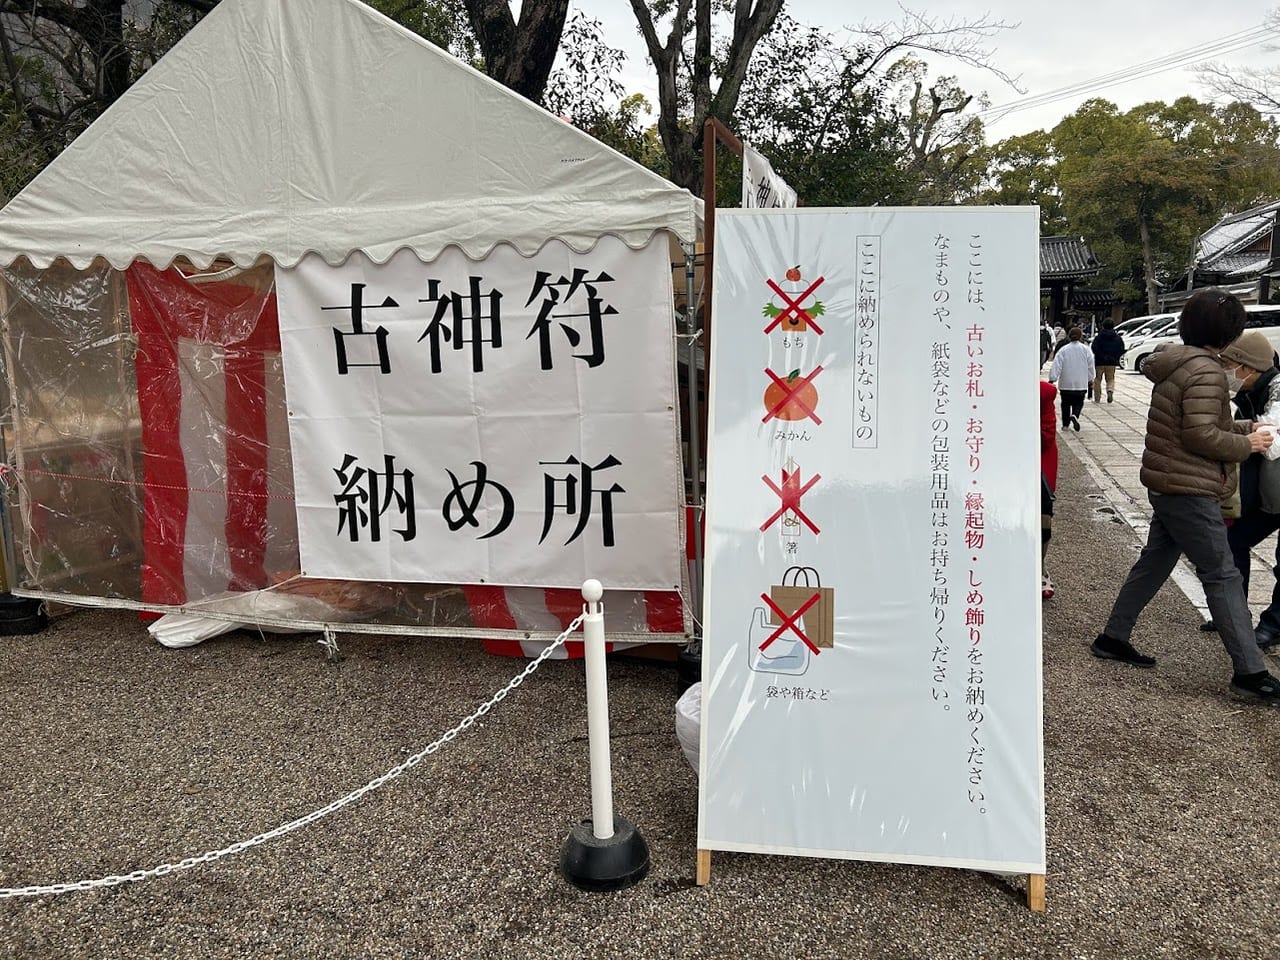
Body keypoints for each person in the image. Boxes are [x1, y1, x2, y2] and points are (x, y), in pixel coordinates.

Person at [1090, 289, 1280, 708]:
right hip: (1190, 488)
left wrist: (1247, 426)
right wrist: (1245, 444)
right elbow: (1199, 435)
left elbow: (1197, 422)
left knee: (1156, 559)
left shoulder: (1176, 363)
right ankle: (1251, 673)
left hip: (1167, 480)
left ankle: (1113, 636)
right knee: (1222, 574)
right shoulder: (1209, 372)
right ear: (1228, 333)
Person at [1216, 330, 1280, 649]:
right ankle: (1234, 614)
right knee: (1234, 541)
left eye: (1229, 365)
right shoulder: (1247, 394)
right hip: (1266, 491)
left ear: (1248, 368)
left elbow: (1271, 442)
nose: (1226, 372)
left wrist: (1251, 436)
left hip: (1276, 484)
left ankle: (1274, 624)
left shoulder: (1278, 390)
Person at [1048, 326, 1094, 431]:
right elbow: (1091, 365)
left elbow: (1057, 365)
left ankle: (1065, 424)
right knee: (1079, 401)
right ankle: (1075, 415)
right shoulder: (1086, 350)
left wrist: (1052, 378)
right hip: (1080, 383)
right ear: (1080, 336)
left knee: (1065, 403)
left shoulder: (1063, 350)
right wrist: (1090, 378)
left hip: (1066, 383)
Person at [1040, 379, 1059, 599]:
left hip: (1038, 461)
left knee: (1043, 518)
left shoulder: (1044, 393)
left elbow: (1046, 436)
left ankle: (1040, 568)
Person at [1090, 318, 1126, 403]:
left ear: (1103, 326)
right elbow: (1121, 348)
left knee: (1098, 378)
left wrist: (1100, 355)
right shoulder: (1117, 338)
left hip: (1099, 361)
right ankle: (1110, 390)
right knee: (1110, 378)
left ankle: (1097, 398)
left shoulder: (1099, 337)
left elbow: (1094, 347)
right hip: (1111, 362)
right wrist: (1115, 357)